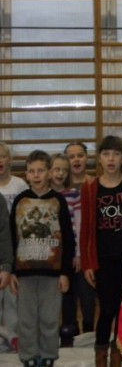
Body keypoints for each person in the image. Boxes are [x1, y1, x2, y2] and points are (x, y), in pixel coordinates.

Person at [9, 150, 75, 367]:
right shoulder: (20, 200)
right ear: (26, 174)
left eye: (40, 170)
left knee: (49, 318)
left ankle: (48, 356)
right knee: (27, 319)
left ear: (49, 173)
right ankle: (29, 357)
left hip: (52, 272)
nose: (36, 175)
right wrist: (11, 271)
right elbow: (12, 237)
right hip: (24, 272)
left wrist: (65, 272)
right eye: (31, 171)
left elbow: (68, 238)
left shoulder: (58, 201)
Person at [80, 135, 122, 367]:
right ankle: (101, 355)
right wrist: (87, 263)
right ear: (99, 158)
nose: (111, 159)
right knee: (107, 309)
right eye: (106, 154)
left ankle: (118, 355)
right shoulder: (90, 188)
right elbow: (86, 229)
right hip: (103, 260)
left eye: (116, 154)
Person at [49, 154, 82, 347]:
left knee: (69, 294)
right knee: (50, 295)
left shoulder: (73, 195)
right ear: (49, 171)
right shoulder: (44, 195)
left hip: (68, 253)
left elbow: (78, 225)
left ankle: (69, 332)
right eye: (56, 169)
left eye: (64, 170)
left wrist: (78, 253)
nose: (60, 173)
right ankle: (50, 334)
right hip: (48, 254)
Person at [64, 141, 96, 334]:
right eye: (71, 157)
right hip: (67, 251)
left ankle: (89, 333)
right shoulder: (61, 187)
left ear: (87, 158)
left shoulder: (94, 184)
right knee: (68, 296)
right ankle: (70, 333)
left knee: (87, 296)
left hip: (88, 250)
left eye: (80, 155)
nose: (76, 160)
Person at [0, 142, 28, 348]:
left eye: (2, 156)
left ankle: (13, 339)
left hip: (16, 247)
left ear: (9, 159)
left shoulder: (19, 185)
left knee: (12, 297)